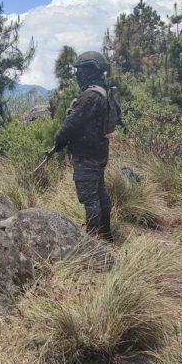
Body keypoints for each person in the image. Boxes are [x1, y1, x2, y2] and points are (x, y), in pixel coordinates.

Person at [52, 51, 121, 241]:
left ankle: (92, 241)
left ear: (91, 70)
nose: (77, 74)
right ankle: (106, 235)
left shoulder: (89, 96)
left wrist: (58, 140)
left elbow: (71, 124)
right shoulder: (106, 92)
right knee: (100, 194)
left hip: (86, 155)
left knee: (90, 199)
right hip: (99, 152)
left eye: (80, 70)